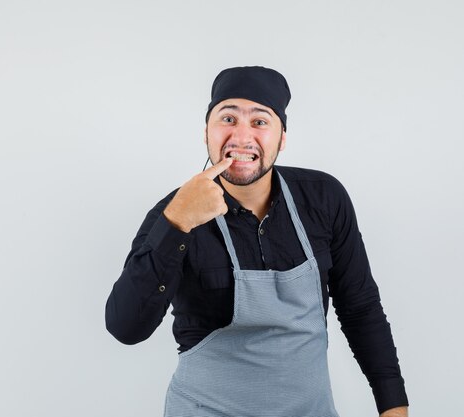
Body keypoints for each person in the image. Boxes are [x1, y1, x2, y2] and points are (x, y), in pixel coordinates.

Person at [105, 66, 409, 417]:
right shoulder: (173, 213)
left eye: (260, 121)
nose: (242, 136)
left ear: (282, 138)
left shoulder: (323, 198)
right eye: (228, 118)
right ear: (206, 132)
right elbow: (125, 327)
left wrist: (393, 407)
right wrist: (177, 224)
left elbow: (360, 308)